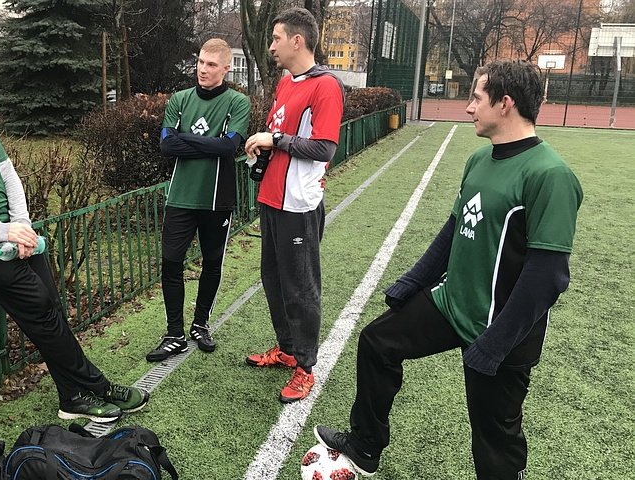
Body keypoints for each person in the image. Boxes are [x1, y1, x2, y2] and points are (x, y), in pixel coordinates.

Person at [314, 60, 583, 478]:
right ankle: (366, 445)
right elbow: (454, 229)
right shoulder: (479, 160)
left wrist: (494, 345)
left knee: (494, 440)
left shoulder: (550, 175)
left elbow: (547, 276)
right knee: (378, 343)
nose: (469, 108)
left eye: (476, 98)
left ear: (505, 103)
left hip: (501, 330)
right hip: (452, 305)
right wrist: (413, 282)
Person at [0, 44, 149, 423]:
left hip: (15, 233)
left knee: (51, 309)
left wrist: (20, 226)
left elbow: (8, 175)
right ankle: (99, 387)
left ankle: (71, 397)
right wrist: (3, 231)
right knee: (41, 309)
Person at [243, 8, 344, 404]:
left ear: (297, 41)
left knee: (301, 288)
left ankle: (305, 367)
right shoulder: (286, 83)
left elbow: (325, 147)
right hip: (271, 198)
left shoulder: (326, 86)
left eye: (277, 38)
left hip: (299, 205)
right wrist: (263, 143)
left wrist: (276, 141)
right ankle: (287, 349)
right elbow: (279, 131)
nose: (271, 46)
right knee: (273, 279)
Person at [146, 39, 251, 362]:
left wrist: (185, 138)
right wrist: (210, 143)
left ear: (226, 68)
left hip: (217, 199)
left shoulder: (238, 102)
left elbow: (229, 148)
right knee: (171, 262)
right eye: (201, 63)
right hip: (181, 196)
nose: (203, 70)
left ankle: (200, 324)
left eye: (211, 65)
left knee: (212, 263)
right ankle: (174, 334)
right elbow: (167, 146)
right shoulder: (179, 100)